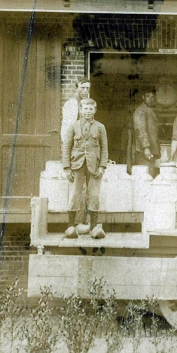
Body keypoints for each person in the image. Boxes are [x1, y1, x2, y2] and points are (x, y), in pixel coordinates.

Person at [62, 99, 108, 239]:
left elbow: (104, 148)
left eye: (90, 108)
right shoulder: (73, 127)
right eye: (85, 108)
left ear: (95, 110)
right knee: (75, 194)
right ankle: (71, 226)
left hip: (94, 167)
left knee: (93, 195)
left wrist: (102, 166)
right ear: (81, 110)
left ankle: (93, 227)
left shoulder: (100, 127)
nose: (88, 111)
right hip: (77, 166)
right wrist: (67, 168)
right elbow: (66, 148)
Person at [60, 77, 91, 234]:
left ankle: (80, 222)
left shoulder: (86, 105)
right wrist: (67, 161)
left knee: (83, 189)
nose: (85, 91)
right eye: (82, 88)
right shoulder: (72, 105)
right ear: (76, 88)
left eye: (87, 88)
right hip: (74, 153)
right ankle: (70, 224)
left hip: (84, 154)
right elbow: (67, 132)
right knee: (75, 189)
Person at [133, 88, 160, 176]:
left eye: (152, 96)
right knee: (145, 176)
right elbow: (140, 130)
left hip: (150, 150)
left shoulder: (149, 110)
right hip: (144, 151)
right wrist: (146, 147)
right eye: (148, 96)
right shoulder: (140, 111)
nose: (150, 98)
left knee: (149, 174)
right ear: (143, 97)